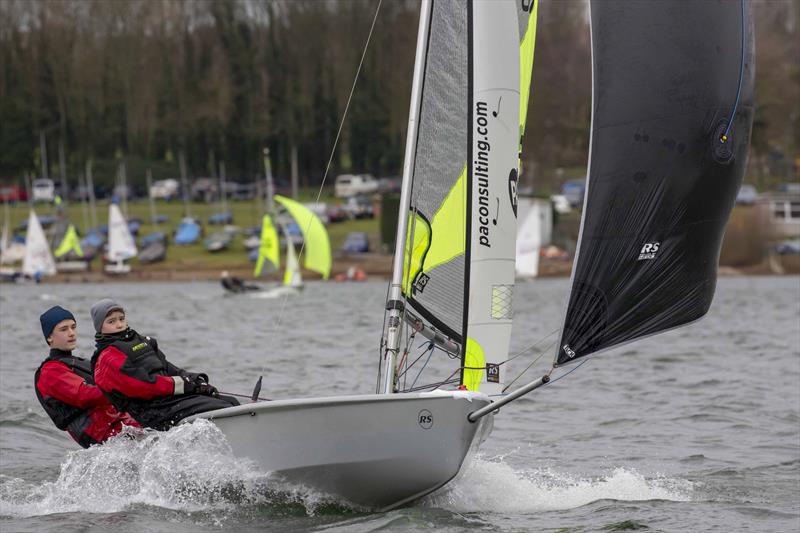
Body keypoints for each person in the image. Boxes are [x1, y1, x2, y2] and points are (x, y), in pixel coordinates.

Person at [90, 298, 239, 430]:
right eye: (111, 321)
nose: (119, 324)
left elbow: (168, 368)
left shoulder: (142, 341)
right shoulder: (107, 358)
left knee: (230, 401)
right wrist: (183, 385)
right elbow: (144, 386)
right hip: (152, 411)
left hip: (169, 401)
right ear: (99, 327)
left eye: (121, 319)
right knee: (223, 408)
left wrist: (196, 381)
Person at [34, 305, 140, 448]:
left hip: (124, 425)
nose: (71, 333)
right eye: (64, 329)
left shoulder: (77, 363)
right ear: (49, 337)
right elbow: (84, 395)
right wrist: (125, 388)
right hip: (105, 435)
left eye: (73, 327)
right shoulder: (50, 372)